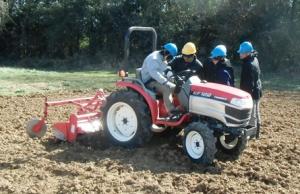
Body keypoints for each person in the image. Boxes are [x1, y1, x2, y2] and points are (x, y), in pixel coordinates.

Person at [141, 43, 179, 119]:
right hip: (150, 81)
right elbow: (154, 73)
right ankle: (172, 112)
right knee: (167, 89)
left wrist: (172, 78)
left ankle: (179, 107)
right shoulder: (154, 58)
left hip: (158, 79)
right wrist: (166, 82)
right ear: (166, 52)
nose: (170, 58)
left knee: (177, 87)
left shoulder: (162, 57)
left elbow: (165, 69)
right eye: (170, 56)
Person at [238, 41, 262, 139]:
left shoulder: (248, 64)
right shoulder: (254, 59)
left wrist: (244, 96)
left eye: (241, 52)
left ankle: (253, 134)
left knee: (252, 115)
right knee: (256, 112)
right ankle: (256, 133)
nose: (240, 54)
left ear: (247, 53)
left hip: (252, 93)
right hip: (257, 89)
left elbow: (248, 84)